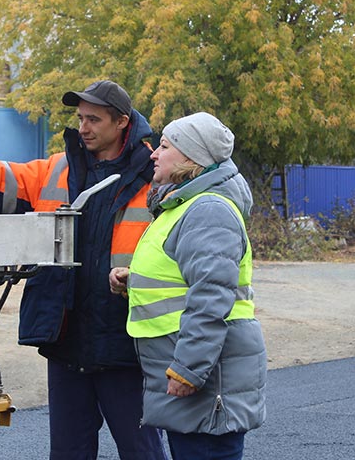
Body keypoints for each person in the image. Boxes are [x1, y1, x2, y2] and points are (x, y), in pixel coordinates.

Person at [0, 80, 167, 460]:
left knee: (142, 451)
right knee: (68, 452)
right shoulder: (60, 168)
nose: (83, 127)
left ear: (122, 122)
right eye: (80, 118)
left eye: (94, 120)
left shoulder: (156, 174)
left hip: (125, 342)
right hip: (66, 337)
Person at [109, 112, 267, 460]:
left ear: (190, 158)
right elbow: (186, 279)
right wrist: (132, 281)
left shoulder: (207, 210)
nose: (153, 153)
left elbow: (212, 296)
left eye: (164, 146)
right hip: (196, 378)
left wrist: (188, 370)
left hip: (204, 382)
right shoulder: (183, 207)